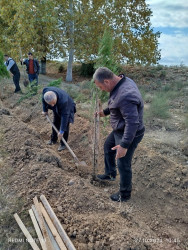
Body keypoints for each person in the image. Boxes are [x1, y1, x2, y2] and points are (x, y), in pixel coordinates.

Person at [93, 67, 145, 202]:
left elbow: (133, 123)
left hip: (130, 133)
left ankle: (124, 194)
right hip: (120, 129)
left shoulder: (126, 95)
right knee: (108, 147)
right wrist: (104, 112)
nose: (101, 90)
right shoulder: (122, 82)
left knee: (123, 163)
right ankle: (110, 174)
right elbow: (116, 104)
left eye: (100, 86)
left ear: (106, 81)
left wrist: (124, 145)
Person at [42, 87, 76, 151]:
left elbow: (65, 117)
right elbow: (43, 100)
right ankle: (53, 140)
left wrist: (61, 131)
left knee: (65, 126)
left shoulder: (64, 102)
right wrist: (45, 110)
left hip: (68, 107)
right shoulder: (45, 92)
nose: (52, 105)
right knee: (55, 122)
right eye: (50, 104)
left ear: (56, 99)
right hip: (58, 105)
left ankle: (63, 144)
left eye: (53, 103)